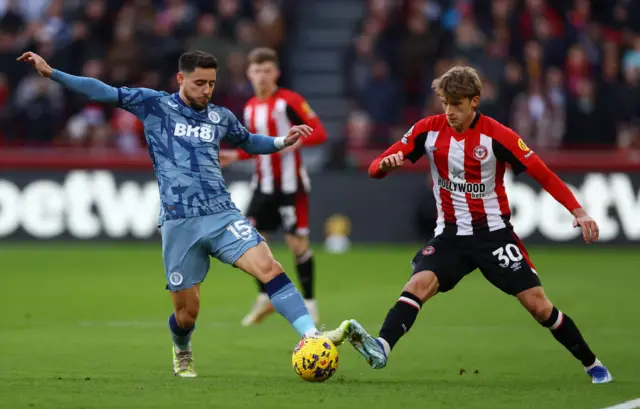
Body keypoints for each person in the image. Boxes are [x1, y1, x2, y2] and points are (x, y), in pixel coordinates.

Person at [17, 50, 349, 378]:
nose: (207, 90)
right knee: (187, 315)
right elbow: (101, 90)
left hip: (222, 214)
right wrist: (52, 73)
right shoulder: (154, 105)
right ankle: (182, 347)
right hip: (180, 222)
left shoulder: (220, 117)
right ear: (181, 79)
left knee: (269, 267)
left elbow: (248, 141)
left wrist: (280, 141)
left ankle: (310, 335)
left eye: (212, 83)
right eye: (199, 82)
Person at [344, 65, 613, 384]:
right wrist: (384, 166)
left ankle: (592, 363)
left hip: (494, 236)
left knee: (539, 307)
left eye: (456, 104)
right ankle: (382, 347)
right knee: (417, 284)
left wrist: (578, 210)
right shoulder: (427, 131)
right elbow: (376, 166)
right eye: (445, 103)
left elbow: (542, 172)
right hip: (450, 236)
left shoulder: (498, 136)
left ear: (474, 102)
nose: (449, 111)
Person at [218, 47, 327, 327]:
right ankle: (264, 299)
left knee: (296, 244)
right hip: (262, 186)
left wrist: (297, 141)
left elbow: (320, 132)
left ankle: (311, 306)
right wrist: (235, 155)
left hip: (291, 186)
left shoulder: (290, 100)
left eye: (267, 71)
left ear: (276, 73)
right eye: (257, 71)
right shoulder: (250, 106)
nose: (262, 77)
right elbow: (256, 146)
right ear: (248, 74)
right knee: (252, 241)